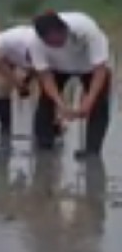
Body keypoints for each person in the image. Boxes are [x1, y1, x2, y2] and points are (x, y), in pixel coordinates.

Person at [28, 11, 111, 159]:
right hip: (57, 67)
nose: (55, 45)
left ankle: (92, 150)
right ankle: (45, 146)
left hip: (89, 66)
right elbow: (45, 76)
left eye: (58, 41)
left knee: (99, 103)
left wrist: (88, 101)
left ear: (64, 29)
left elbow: (100, 69)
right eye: (50, 43)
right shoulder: (35, 42)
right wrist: (61, 104)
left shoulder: (86, 30)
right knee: (46, 101)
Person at [0, 24, 38, 137]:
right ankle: (5, 127)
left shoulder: (44, 49)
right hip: (5, 52)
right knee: (4, 85)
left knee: (45, 83)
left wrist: (26, 81)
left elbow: (40, 71)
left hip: (28, 53)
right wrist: (16, 82)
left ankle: (49, 123)